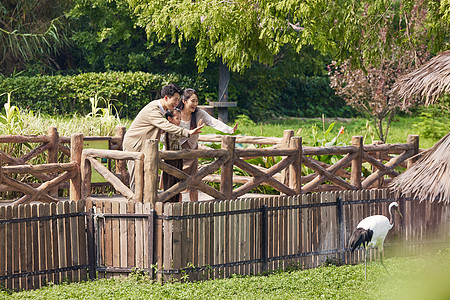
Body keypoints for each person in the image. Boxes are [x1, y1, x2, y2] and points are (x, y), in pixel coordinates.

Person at [123, 84, 204, 191]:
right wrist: (187, 132)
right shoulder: (153, 109)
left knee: (146, 177)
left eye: (178, 100)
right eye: (175, 99)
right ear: (166, 98)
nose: (176, 103)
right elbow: (166, 125)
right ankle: (134, 204)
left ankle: (146, 205)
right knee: (137, 179)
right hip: (135, 145)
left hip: (145, 146)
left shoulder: (163, 110)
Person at [176, 88, 238, 201]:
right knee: (177, 185)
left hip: (192, 150)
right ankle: (177, 209)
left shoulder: (198, 113)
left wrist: (229, 130)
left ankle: (194, 210)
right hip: (176, 151)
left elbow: (213, 121)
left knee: (194, 183)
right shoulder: (176, 113)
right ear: (184, 101)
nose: (195, 104)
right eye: (192, 101)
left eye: (196, 101)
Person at [160, 108, 183, 203]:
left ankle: (175, 201)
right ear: (169, 119)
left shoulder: (170, 130)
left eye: (180, 118)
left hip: (177, 157)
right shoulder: (170, 130)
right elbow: (181, 134)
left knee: (177, 180)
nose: (179, 121)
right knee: (170, 180)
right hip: (171, 158)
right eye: (177, 118)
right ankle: (169, 201)